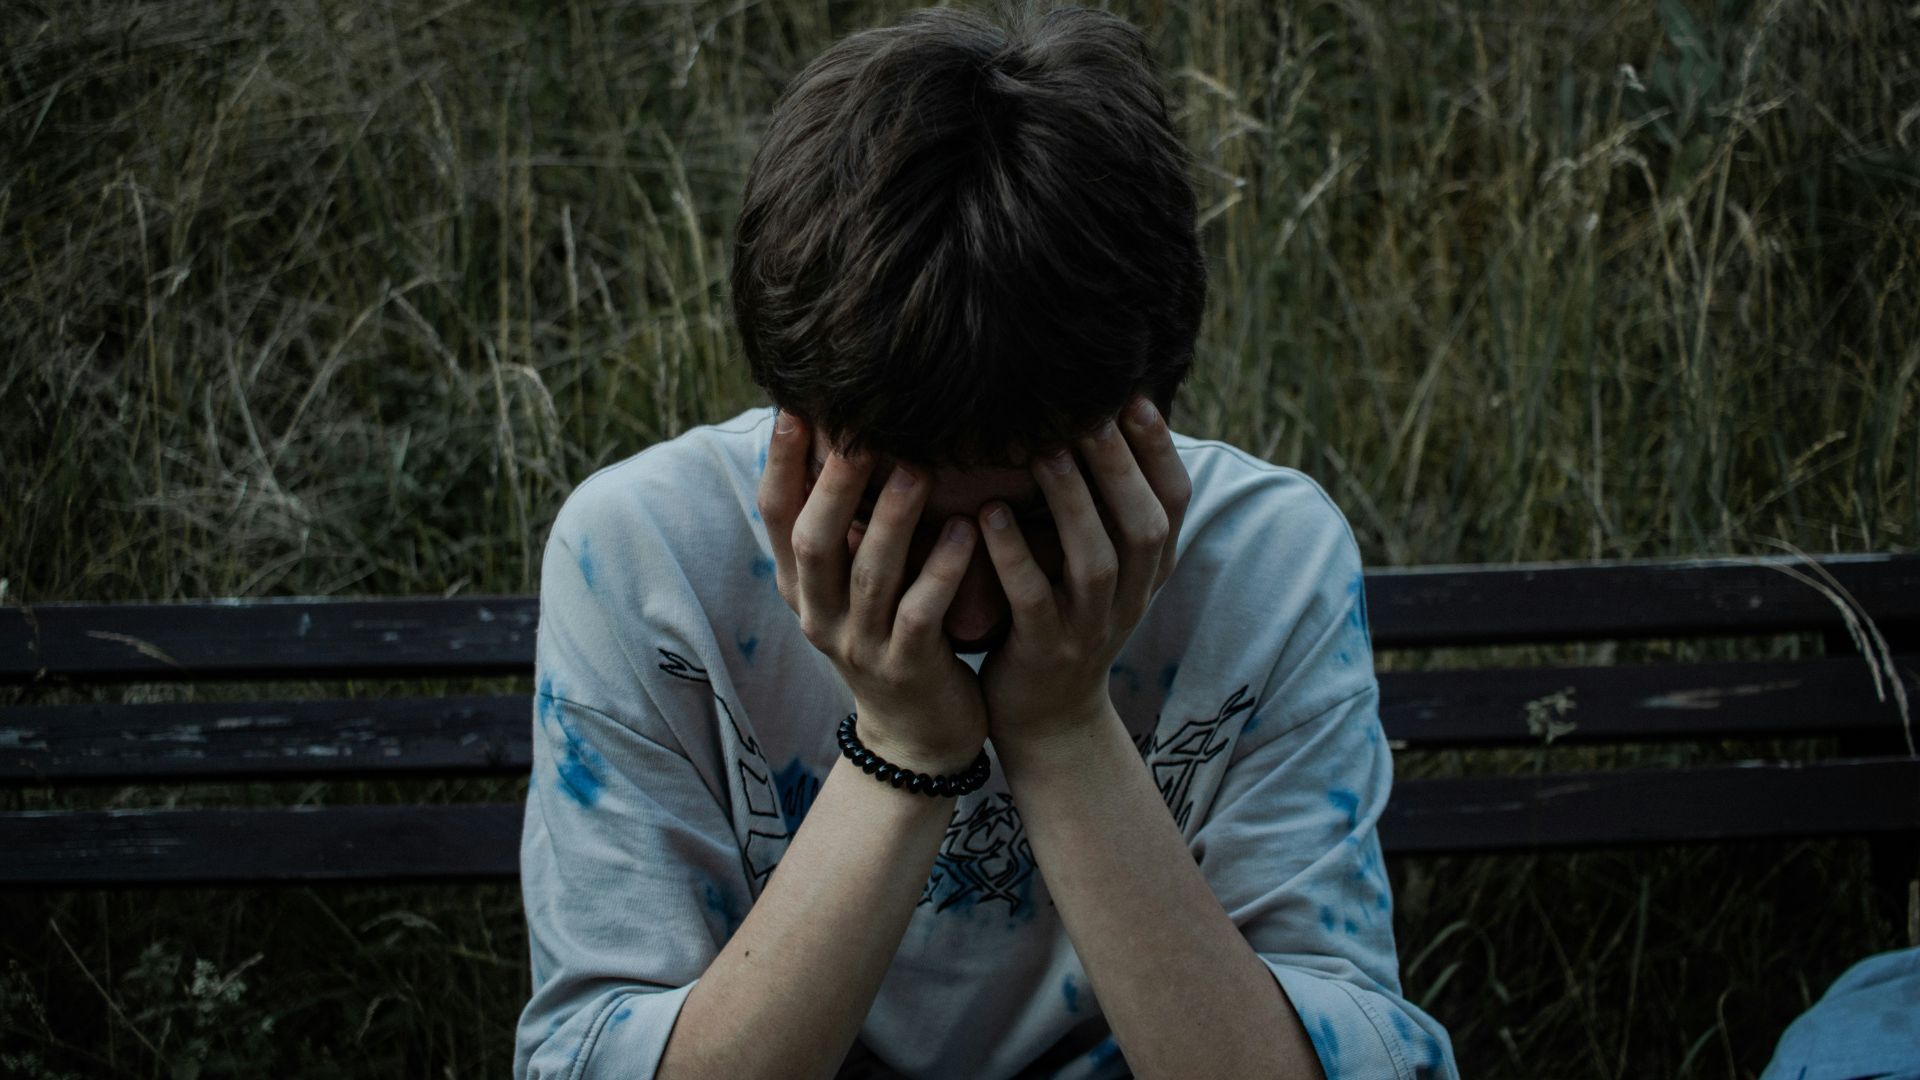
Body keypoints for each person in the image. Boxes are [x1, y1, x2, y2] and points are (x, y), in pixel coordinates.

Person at [514, 4, 1457, 1077]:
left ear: (1140, 432)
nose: (963, 617)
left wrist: (1060, 730)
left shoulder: (1269, 566)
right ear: (797, 431)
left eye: (1037, 528)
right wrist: (906, 745)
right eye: (900, 529)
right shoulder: (642, 557)